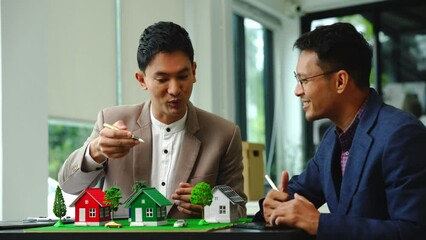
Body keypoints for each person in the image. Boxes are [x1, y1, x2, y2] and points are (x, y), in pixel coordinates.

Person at [254, 22, 426, 239]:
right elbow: (297, 191)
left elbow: (414, 231)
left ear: (340, 81)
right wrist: (272, 203)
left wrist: (319, 223)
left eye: (304, 80)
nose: (297, 91)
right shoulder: (332, 139)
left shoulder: (401, 135)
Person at [58, 21, 247, 219]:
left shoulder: (224, 135)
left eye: (183, 76)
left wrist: (210, 206)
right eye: (162, 79)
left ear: (194, 72)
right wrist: (96, 151)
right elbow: (68, 185)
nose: (174, 89)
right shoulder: (112, 120)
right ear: (142, 80)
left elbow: (239, 210)